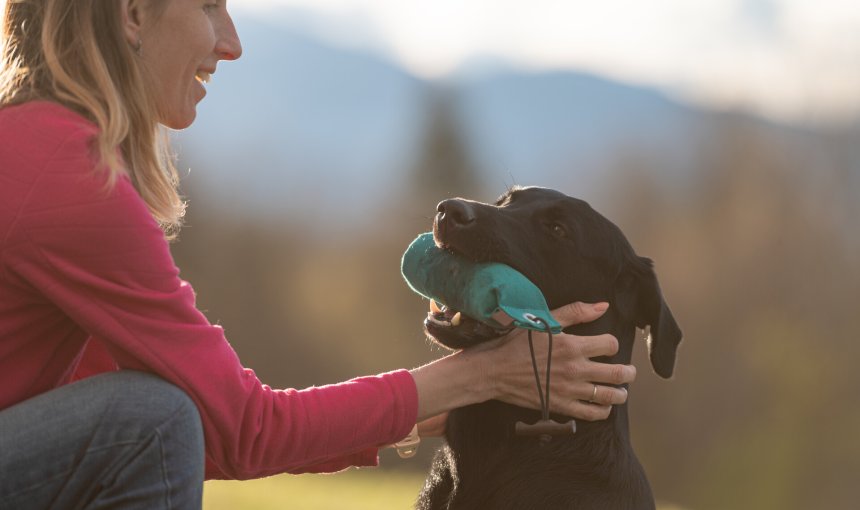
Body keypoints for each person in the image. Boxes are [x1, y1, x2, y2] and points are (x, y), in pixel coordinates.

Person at [0, 1, 636, 508]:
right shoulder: (72, 179)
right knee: (147, 418)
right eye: (210, 6)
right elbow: (243, 430)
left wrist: (425, 408)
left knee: (159, 417)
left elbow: (214, 432)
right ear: (133, 14)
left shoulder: (40, 150)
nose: (232, 41)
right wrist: (481, 376)